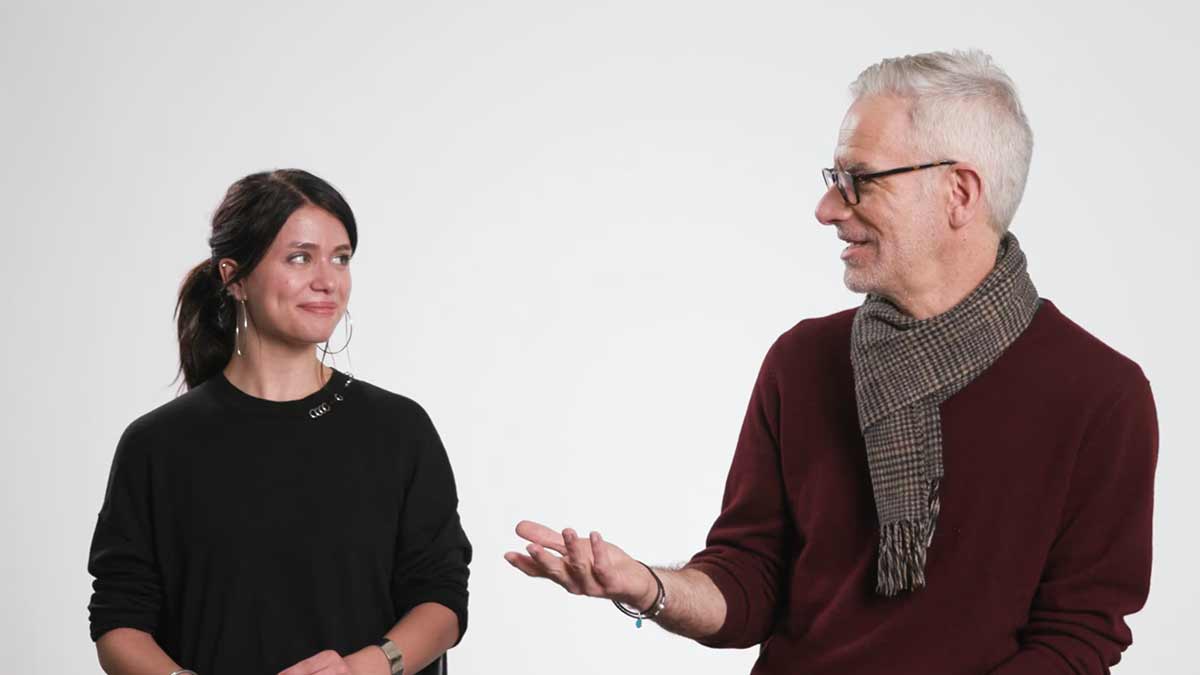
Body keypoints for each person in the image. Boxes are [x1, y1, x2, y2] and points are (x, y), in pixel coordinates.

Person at [506, 50, 1159, 673]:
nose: (826, 210)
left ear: (959, 192)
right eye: (833, 180)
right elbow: (750, 576)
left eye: (860, 181)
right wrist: (648, 585)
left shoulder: (1101, 395)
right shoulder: (804, 360)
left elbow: (1078, 637)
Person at [88, 169, 471, 675]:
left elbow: (441, 597)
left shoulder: (399, 430)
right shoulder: (157, 444)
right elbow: (119, 618)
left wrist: (363, 669)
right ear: (234, 276)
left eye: (340, 258)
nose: (327, 280)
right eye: (299, 257)